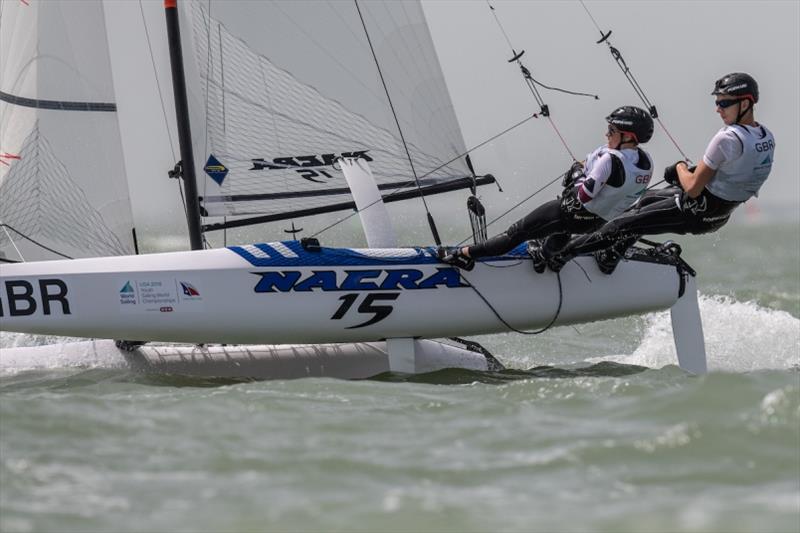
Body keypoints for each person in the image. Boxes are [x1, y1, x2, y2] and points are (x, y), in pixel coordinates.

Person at [542, 72, 775, 274]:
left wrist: (679, 169)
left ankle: (562, 255)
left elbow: (693, 188)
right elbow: (736, 176)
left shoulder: (726, 137)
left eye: (724, 103)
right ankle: (610, 257)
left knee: (626, 223)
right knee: (644, 201)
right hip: (717, 216)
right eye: (717, 102)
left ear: (745, 104)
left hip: (695, 209)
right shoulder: (766, 137)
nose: (717, 109)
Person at [438, 106, 655, 273]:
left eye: (612, 130)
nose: (607, 134)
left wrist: (578, 176)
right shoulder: (645, 163)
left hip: (568, 212)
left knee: (515, 234)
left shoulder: (609, 159)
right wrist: (583, 169)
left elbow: (583, 195)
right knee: (562, 232)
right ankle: (543, 256)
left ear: (629, 136)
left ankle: (464, 255)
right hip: (594, 223)